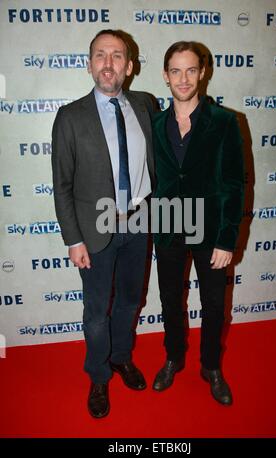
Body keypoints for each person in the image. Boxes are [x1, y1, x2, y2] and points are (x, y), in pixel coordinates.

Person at [51, 29, 155, 418]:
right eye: (100, 55)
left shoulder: (146, 105)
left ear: (129, 66)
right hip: (94, 231)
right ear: (89, 63)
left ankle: (121, 357)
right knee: (97, 311)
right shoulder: (70, 116)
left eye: (116, 56)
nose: (108, 63)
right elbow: (62, 185)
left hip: (139, 222)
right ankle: (98, 375)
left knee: (130, 300)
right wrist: (73, 238)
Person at [152, 41, 244, 405]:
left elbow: (234, 183)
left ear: (202, 72)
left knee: (213, 305)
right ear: (165, 75)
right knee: (171, 299)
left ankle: (211, 366)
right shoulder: (155, 123)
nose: (184, 78)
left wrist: (227, 238)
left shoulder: (225, 121)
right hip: (168, 226)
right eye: (176, 70)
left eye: (191, 69)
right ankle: (174, 357)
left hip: (210, 229)